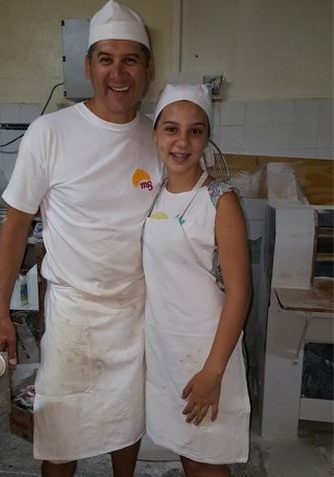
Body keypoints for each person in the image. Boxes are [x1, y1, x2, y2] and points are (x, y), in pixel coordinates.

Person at [0, 1, 162, 476]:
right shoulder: (51, 132)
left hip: (136, 312)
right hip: (73, 312)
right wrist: (1, 313)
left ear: (147, 68)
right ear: (88, 66)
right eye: (106, 59)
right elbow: (15, 228)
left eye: (130, 59)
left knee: (128, 425)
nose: (118, 73)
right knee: (61, 433)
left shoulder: (157, 138)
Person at [143, 83, 251, 476]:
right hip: (165, 350)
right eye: (171, 129)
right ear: (155, 134)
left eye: (195, 130)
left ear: (206, 137)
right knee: (188, 453)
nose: (182, 142)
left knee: (208, 463)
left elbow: (240, 293)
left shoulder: (220, 200)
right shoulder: (151, 195)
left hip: (207, 352)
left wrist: (213, 371)